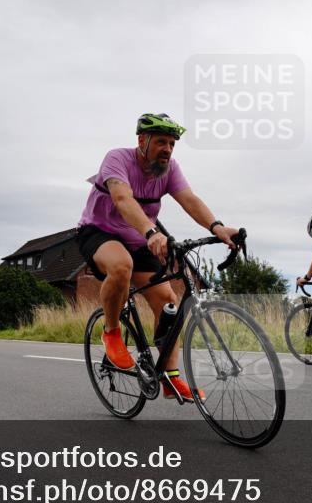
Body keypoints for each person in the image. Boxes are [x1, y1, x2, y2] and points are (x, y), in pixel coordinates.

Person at [76, 113, 241, 402]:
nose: (167, 149)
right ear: (142, 140)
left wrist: (217, 227)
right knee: (121, 266)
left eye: (172, 144)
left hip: (139, 238)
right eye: (161, 142)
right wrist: (151, 232)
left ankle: (169, 378)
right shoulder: (117, 159)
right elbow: (122, 199)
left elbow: (189, 199)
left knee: (169, 304)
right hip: (99, 232)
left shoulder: (169, 168)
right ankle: (112, 334)